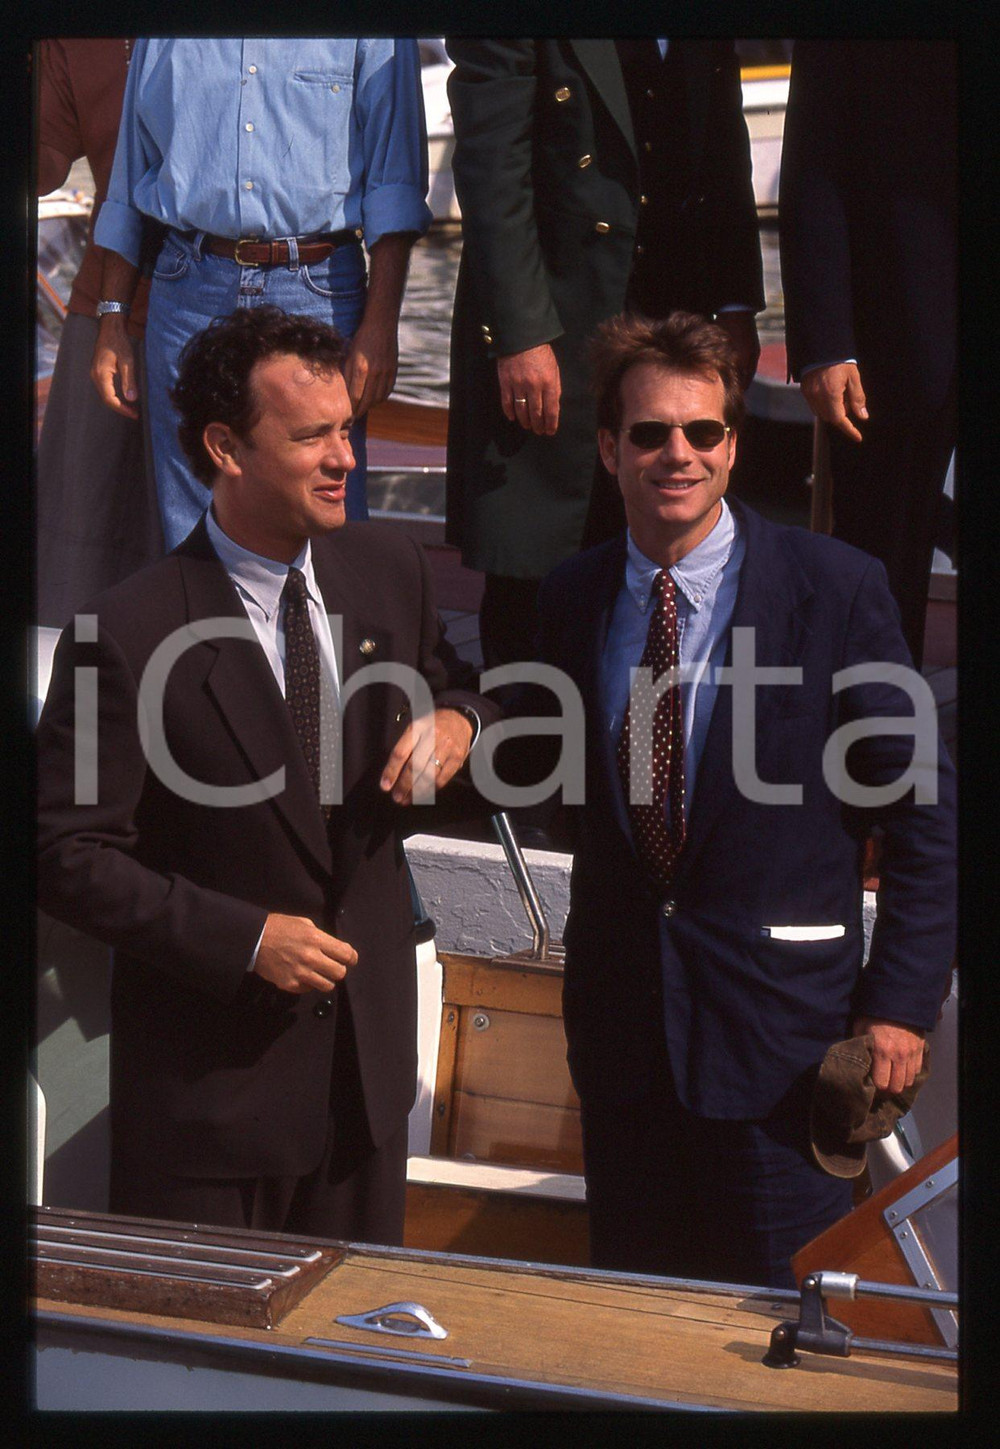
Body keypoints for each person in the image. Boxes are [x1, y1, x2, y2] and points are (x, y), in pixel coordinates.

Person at [36, 306, 497, 1242]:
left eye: (347, 430)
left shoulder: (390, 571)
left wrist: (461, 722)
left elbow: (462, 692)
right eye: (312, 437)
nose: (347, 460)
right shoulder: (125, 635)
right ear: (226, 447)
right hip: (210, 1119)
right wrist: (244, 940)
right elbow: (61, 850)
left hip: (365, 1103)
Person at [519, 311, 956, 1288]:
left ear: (732, 442)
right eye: (649, 433)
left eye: (701, 432)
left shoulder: (835, 591)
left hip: (784, 1057)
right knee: (633, 1343)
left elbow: (926, 813)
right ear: (607, 448)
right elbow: (528, 747)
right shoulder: (572, 597)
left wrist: (897, 1010)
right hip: (624, 1053)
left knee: (770, 1351)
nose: (677, 454)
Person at [445, 39, 764, 670]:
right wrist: (521, 334)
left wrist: (736, 303)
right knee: (535, 576)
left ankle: (652, 756)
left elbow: (726, 145)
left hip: (678, 326)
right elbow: (491, 166)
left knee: (673, 566)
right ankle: (530, 749)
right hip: (553, 322)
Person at [90, 37, 431, 549]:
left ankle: (315, 630)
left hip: (318, 289)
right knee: (191, 514)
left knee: (324, 506)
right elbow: (130, 179)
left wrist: (380, 324)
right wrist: (112, 317)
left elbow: (395, 184)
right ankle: (211, 631)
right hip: (188, 286)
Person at [779, 40, 957, 668]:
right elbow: (811, 164)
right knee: (885, 558)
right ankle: (885, 738)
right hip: (895, 336)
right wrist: (825, 344)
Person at [36, 38, 162, 629]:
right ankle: (76, 705)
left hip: (243, 309)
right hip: (110, 310)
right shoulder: (73, 38)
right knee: (76, 552)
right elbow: (44, 161)